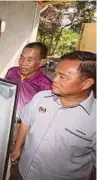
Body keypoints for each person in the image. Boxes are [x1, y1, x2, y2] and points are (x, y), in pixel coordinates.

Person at [11, 51, 96, 180]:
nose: (54, 80)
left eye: (63, 77)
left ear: (86, 83)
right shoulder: (42, 97)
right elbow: (26, 122)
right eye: (56, 74)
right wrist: (17, 149)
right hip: (22, 172)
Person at [5, 42, 52, 116]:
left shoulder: (46, 85)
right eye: (22, 58)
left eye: (29, 60)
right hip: (6, 116)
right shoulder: (12, 72)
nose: (23, 63)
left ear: (41, 63)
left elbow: (45, 112)